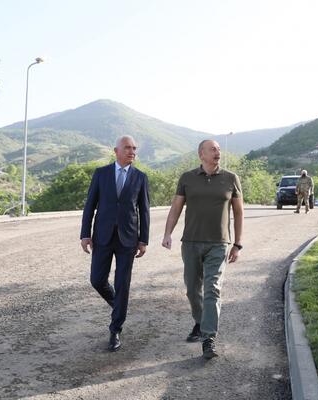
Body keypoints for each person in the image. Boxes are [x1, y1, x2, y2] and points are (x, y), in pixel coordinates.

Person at [162, 139, 244, 359]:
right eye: (213, 149)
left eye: (219, 149)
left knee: (212, 289)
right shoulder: (187, 178)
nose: (218, 152)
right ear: (201, 154)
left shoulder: (231, 178)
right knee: (192, 289)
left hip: (218, 243)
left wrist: (237, 244)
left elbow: (239, 212)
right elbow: (176, 207)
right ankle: (200, 322)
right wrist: (168, 233)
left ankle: (208, 338)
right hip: (191, 243)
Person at [80, 135, 150, 352]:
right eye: (127, 148)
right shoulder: (101, 174)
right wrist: (85, 234)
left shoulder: (140, 177)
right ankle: (118, 305)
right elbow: (90, 205)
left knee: (122, 284)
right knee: (97, 279)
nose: (132, 152)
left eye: (134, 148)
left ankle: (115, 329)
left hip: (128, 239)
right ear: (116, 151)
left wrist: (143, 240)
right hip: (102, 236)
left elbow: (144, 210)